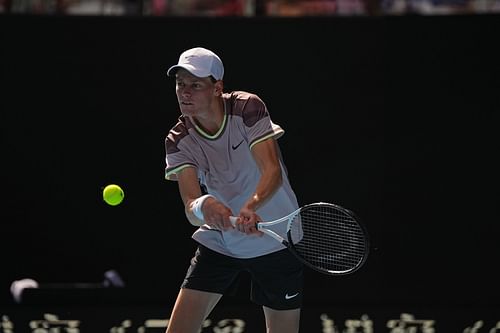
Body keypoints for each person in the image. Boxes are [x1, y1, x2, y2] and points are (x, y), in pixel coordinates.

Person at [163, 47, 303, 333]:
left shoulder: (247, 107)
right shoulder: (179, 139)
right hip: (222, 241)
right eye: (180, 84)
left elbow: (272, 171)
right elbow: (191, 207)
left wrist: (251, 206)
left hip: (278, 238)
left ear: (217, 88)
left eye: (195, 85)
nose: (184, 92)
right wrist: (205, 206)